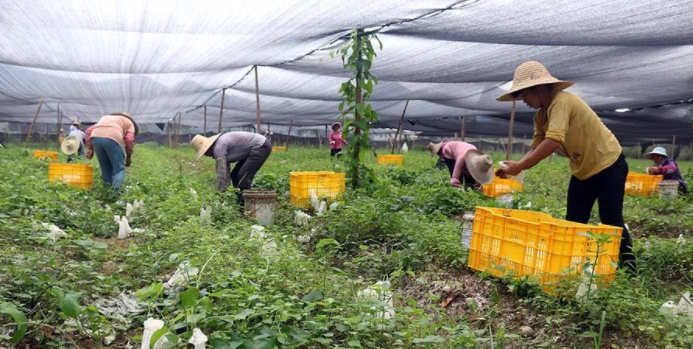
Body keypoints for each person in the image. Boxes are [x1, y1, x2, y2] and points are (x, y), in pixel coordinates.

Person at [496, 61, 634, 271]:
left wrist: (521, 166)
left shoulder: (561, 101)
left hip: (608, 164)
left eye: (525, 94)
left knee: (611, 220)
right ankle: (574, 268)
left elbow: (553, 141)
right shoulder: (541, 115)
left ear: (540, 88)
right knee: (574, 221)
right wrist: (518, 165)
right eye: (520, 96)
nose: (524, 100)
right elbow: (537, 145)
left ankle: (628, 270)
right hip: (582, 170)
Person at [190, 131, 271, 205]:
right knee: (235, 175)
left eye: (204, 152)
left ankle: (246, 207)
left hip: (261, 146)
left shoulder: (218, 148)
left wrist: (219, 197)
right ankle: (239, 203)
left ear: (208, 147)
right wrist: (223, 192)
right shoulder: (220, 147)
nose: (205, 155)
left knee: (243, 176)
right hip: (254, 149)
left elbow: (222, 176)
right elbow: (226, 174)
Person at [85, 112, 138, 195]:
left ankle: (107, 191)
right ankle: (115, 194)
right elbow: (129, 140)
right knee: (119, 169)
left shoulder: (106, 118)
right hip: (113, 137)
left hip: (95, 137)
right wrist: (128, 157)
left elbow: (88, 131)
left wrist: (90, 149)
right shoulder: (129, 122)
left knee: (105, 167)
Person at [427, 141, 493, 190]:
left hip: (464, 150)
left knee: (470, 179)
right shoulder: (461, 157)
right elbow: (457, 168)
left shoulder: (479, 159)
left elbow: (476, 173)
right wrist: (455, 179)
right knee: (457, 177)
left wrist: (478, 184)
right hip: (450, 152)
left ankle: (469, 188)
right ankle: (458, 190)